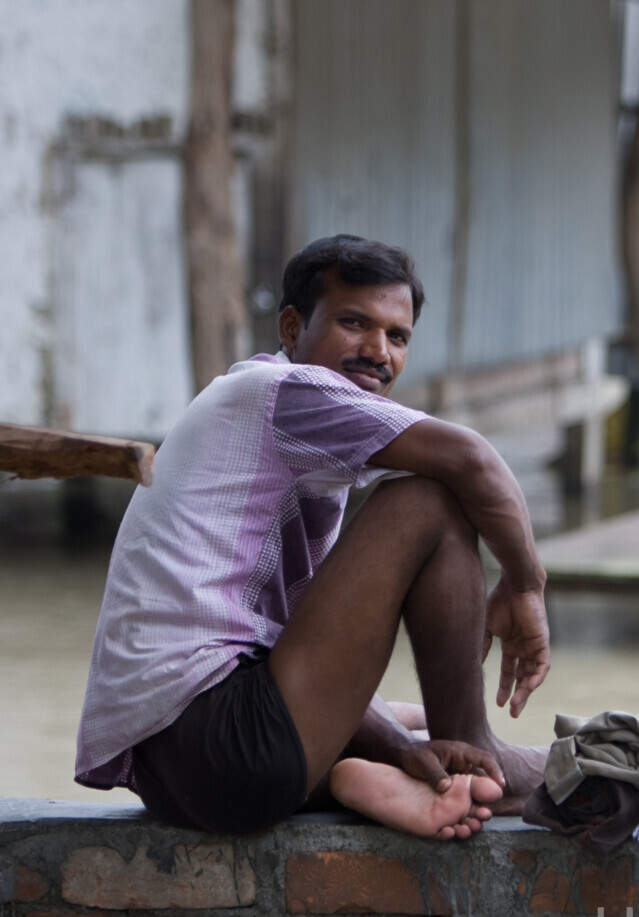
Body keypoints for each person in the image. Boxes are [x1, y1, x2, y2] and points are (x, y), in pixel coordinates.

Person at [75, 234, 552, 840]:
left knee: (403, 730)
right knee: (428, 495)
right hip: (224, 739)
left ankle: (373, 775)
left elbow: (287, 648)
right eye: (354, 323)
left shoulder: (296, 446)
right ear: (294, 328)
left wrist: (404, 750)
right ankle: (478, 751)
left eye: (397, 336)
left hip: (176, 782)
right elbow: (472, 458)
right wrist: (525, 585)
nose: (377, 351)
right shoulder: (281, 392)